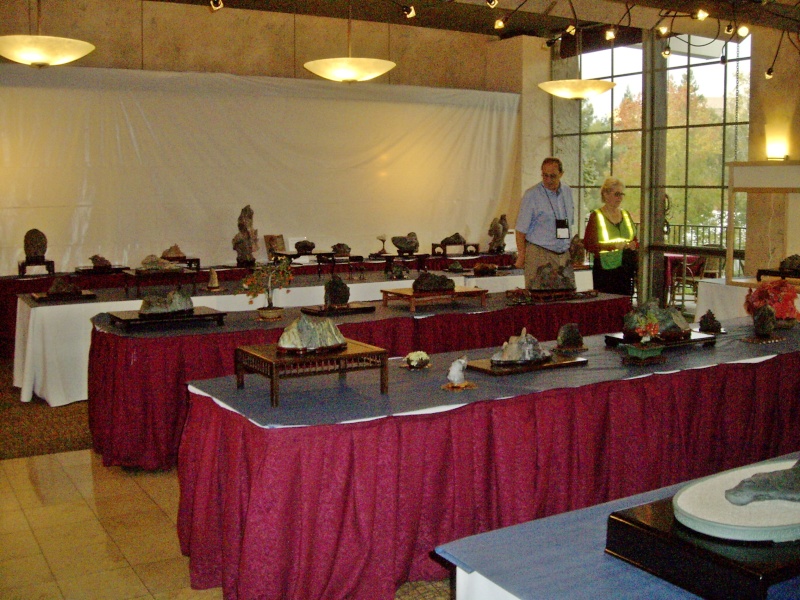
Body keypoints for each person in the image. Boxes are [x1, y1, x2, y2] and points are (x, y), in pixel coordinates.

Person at [514, 157, 575, 289]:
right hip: (540, 254)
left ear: (561, 174)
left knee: (566, 299)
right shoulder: (531, 195)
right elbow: (520, 231)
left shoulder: (567, 191)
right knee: (540, 300)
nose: (548, 180)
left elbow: (568, 223)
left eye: (552, 176)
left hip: (563, 254)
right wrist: (522, 256)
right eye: (544, 175)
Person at [583, 177, 638, 296]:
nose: (620, 198)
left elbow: (634, 238)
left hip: (625, 269)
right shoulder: (596, 216)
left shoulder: (626, 215)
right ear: (606, 194)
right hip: (605, 271)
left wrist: (634, 244)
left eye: (621, 194)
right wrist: (613, 246)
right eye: (617, 194)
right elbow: (589, 244)